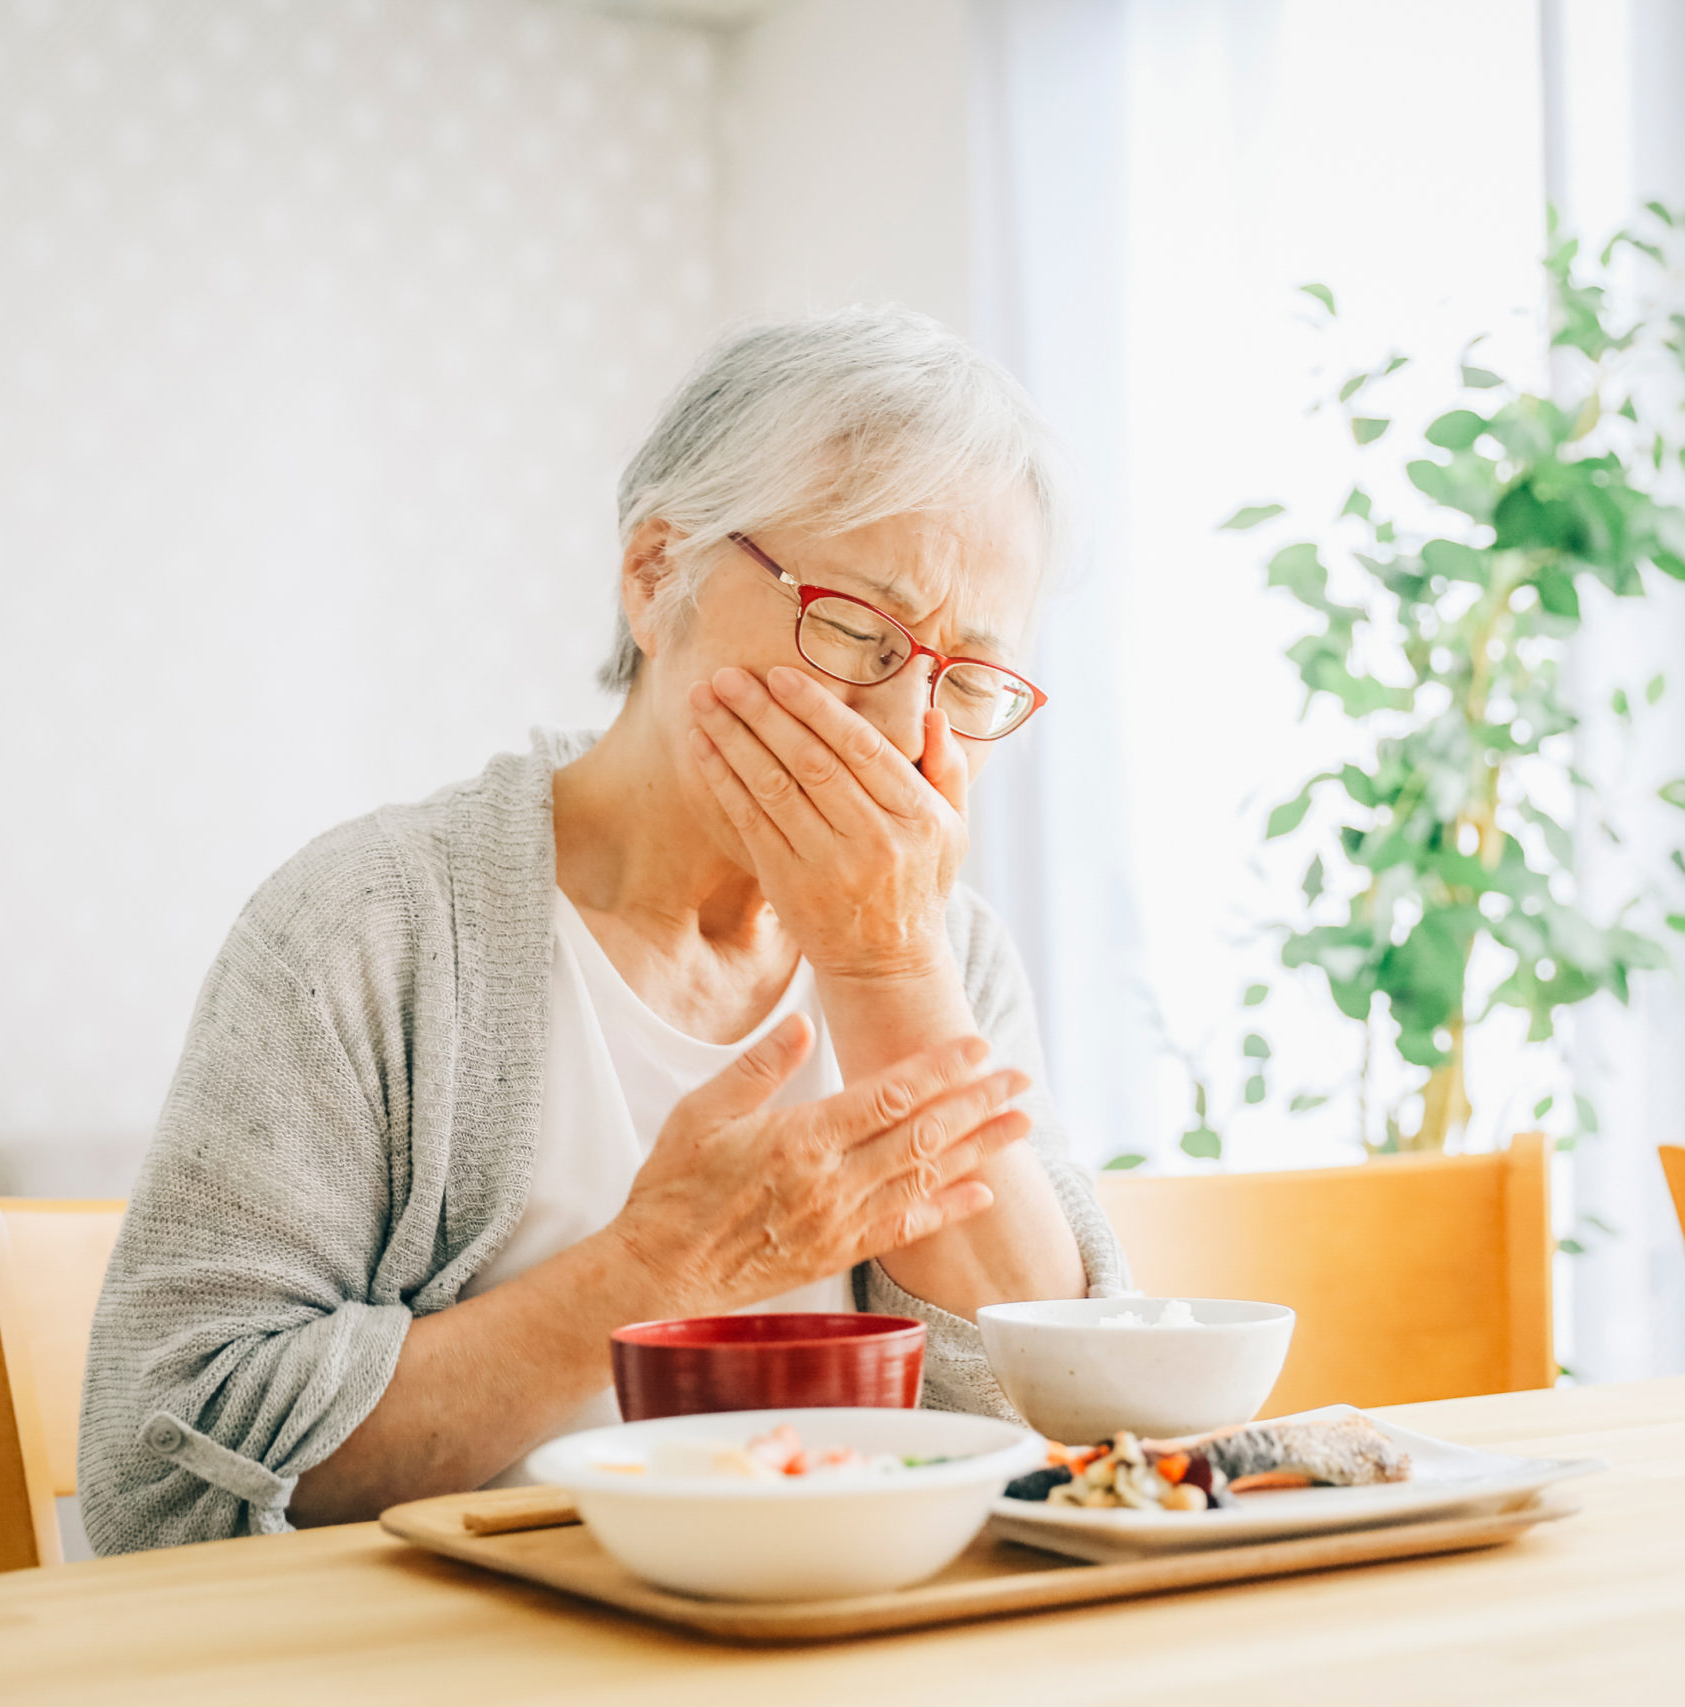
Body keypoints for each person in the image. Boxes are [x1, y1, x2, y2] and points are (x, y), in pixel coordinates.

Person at [79, 307, 1130, 1553]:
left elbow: (1073, 1428)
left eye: (966, 680)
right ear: (654, 574)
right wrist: (658, 1268)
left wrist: (888, 962)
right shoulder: (372, 930)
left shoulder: (950, 950)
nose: (905, 733)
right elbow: (162, 1485)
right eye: (856, 631)